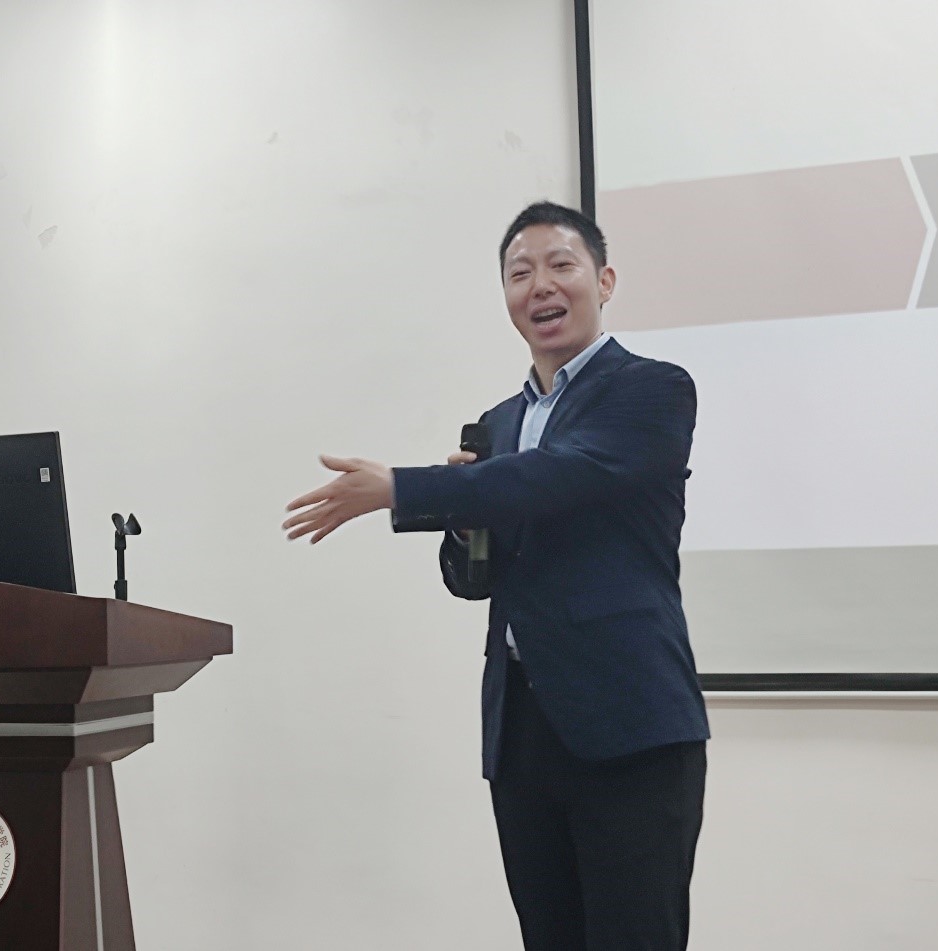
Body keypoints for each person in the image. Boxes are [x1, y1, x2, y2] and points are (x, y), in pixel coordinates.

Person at [283, 200, 709, 950]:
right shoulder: (498, 423)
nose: (540, 285)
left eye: (560, 265)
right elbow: (473, 578)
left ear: (604, 281)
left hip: (629, 724)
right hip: (523, 732)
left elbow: (558, 477)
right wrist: (463, 521)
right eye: (519, 273)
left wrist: (404, 488)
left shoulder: (652, 389)